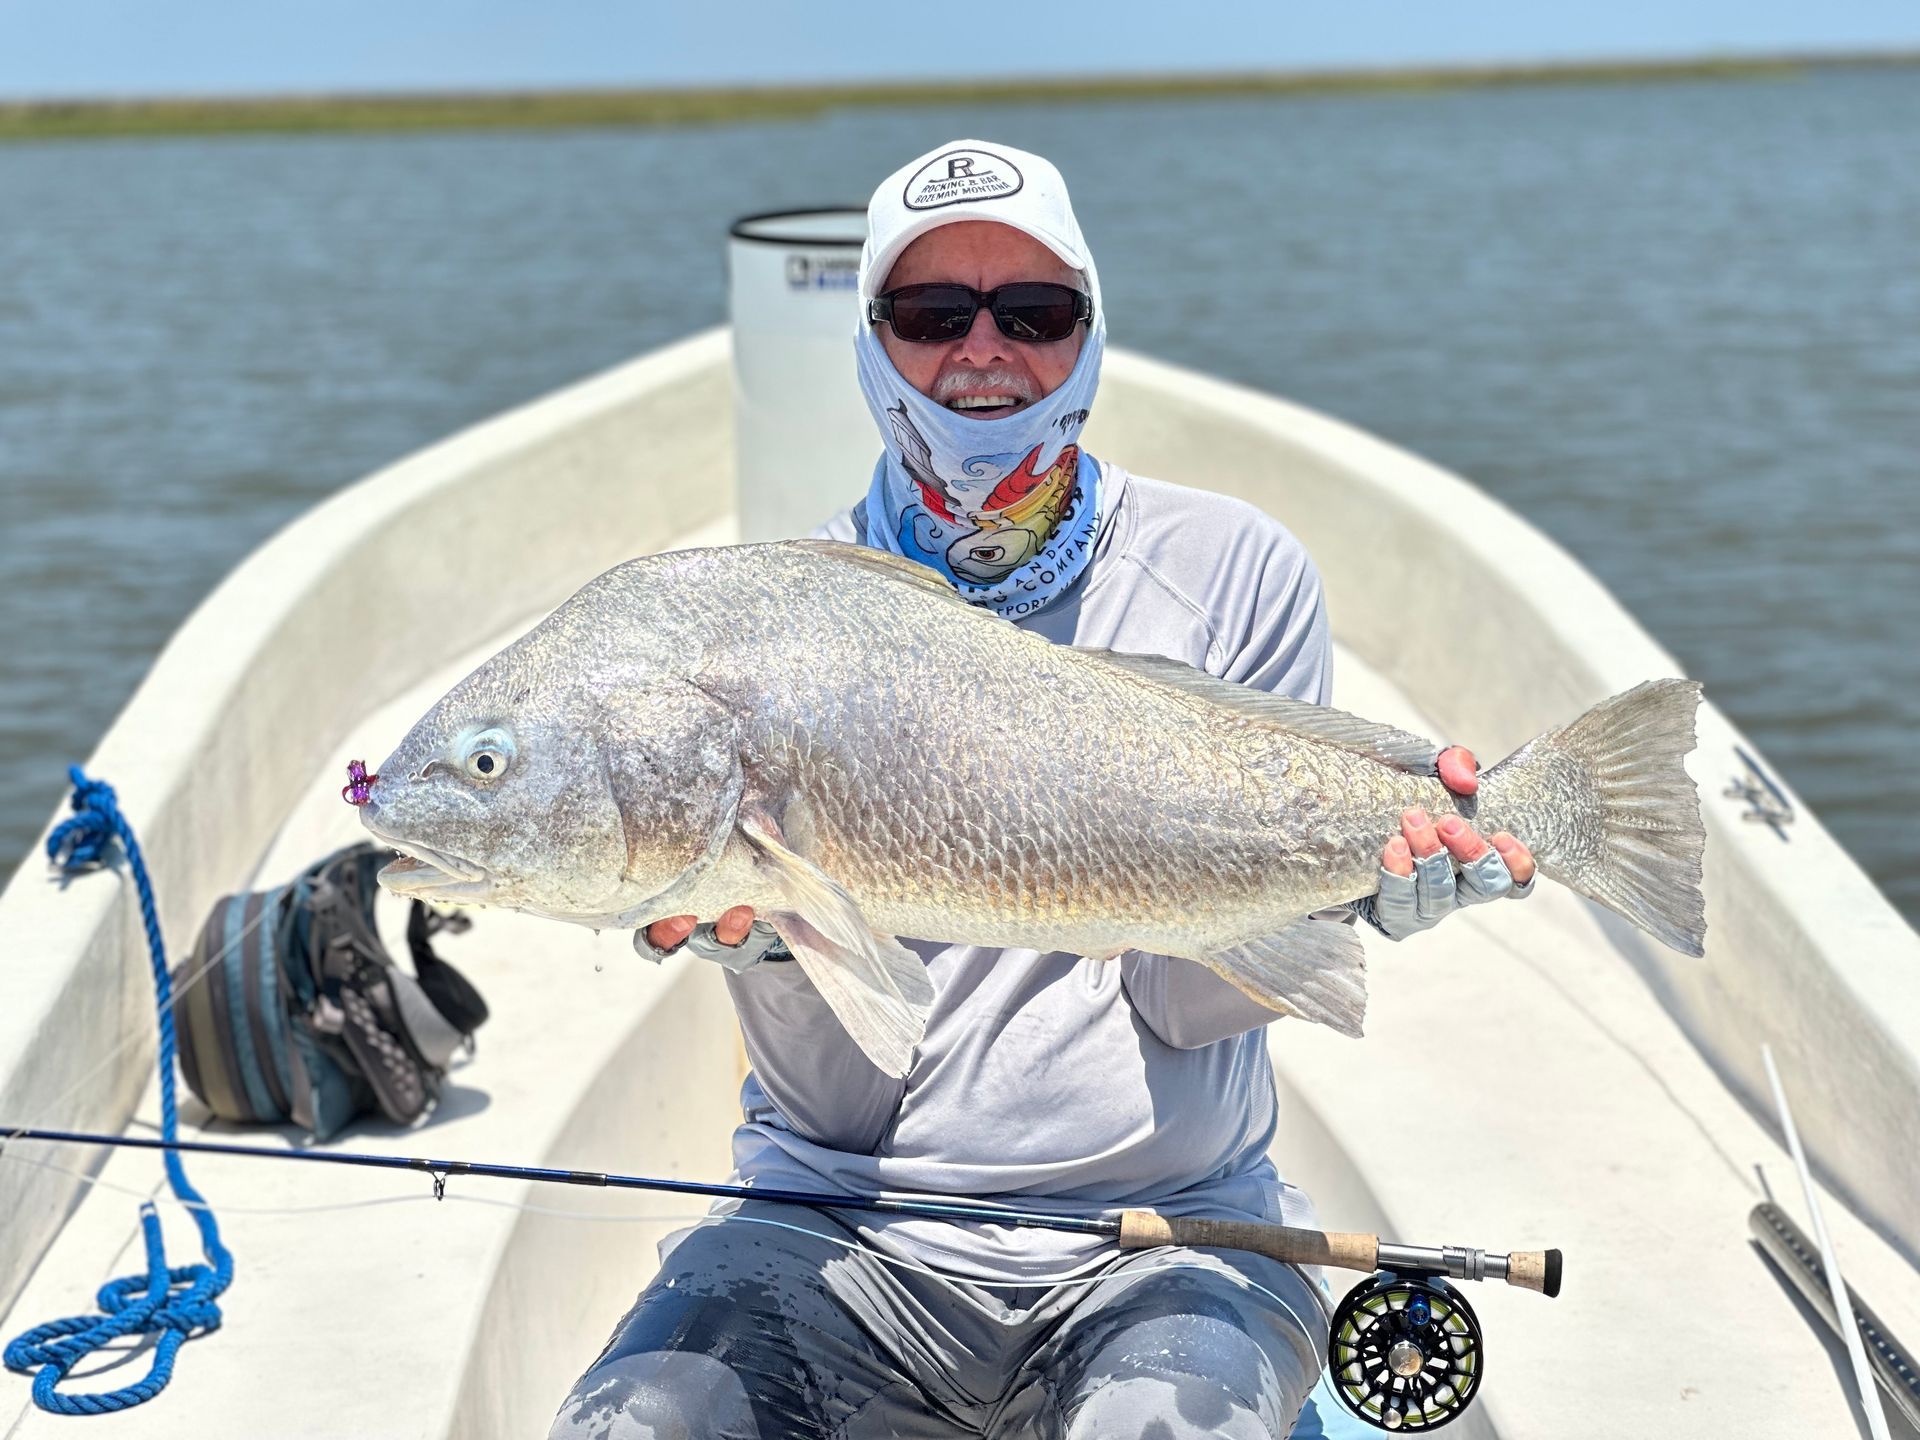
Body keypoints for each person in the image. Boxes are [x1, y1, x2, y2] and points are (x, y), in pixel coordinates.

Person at [551, 139, 1536, 1440]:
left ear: (1090, 333)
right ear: (870, 342)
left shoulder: (1235, 570)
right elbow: (845, 1108)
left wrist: (1347, 895)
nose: (982, 351)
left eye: (1034, 312)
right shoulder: (784, 628)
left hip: (1171, 1241)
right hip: (833, 1231)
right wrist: (777, 955)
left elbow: (1184, 1007)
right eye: (929, 313)